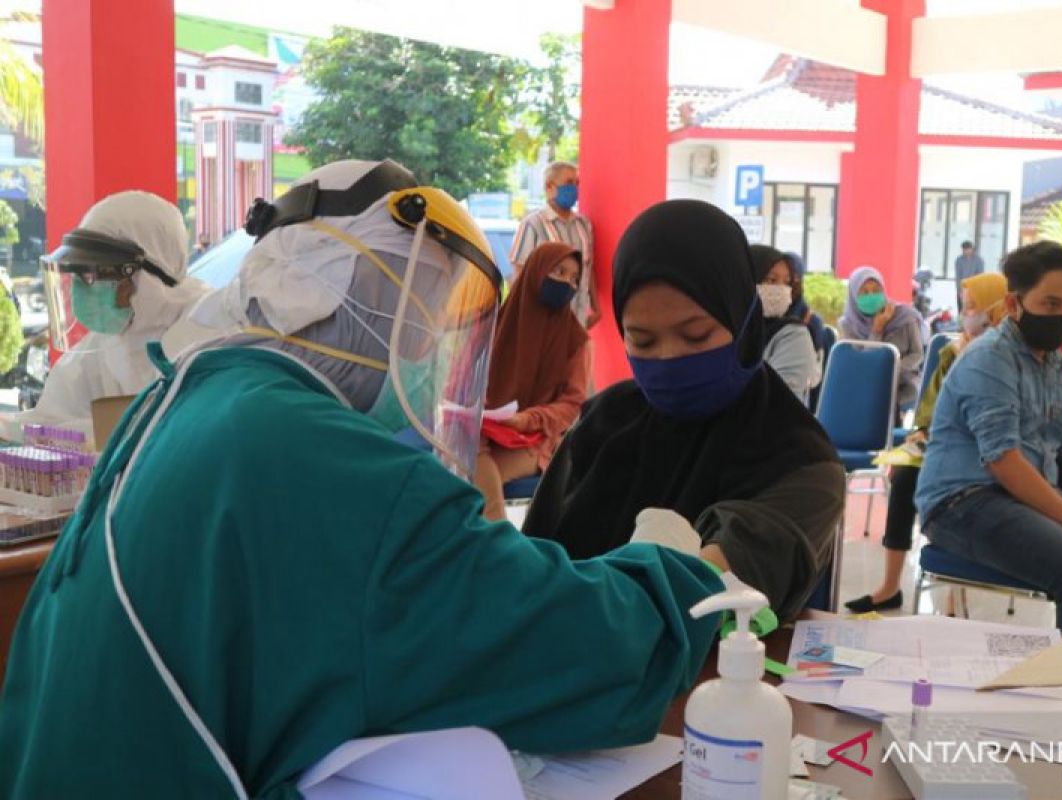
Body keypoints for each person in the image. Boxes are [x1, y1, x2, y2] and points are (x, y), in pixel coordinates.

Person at [0, 161, 724, 796]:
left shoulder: (183, 400)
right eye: (421, 321)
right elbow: (582, 652)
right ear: (340, 302)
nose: (424, 352)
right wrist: (670, 569)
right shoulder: (320, 455)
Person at [523, 200, 846, 620]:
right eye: (642, 341)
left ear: (744, 322)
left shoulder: (801, 461)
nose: (670, 357)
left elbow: (695, 591)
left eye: (696, 335)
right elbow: (534, 569)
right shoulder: (603, 424)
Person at [915, 242, 1062, 636]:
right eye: (1051, 304)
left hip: (1026, 501)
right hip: (963, 503)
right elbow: (1004, 461)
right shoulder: (989, 359)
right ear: (1014, 304)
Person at [844, 272, 1009, 613]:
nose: (967, 315)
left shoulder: (1009, 357)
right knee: (904, 476)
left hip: (985, 454)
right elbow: (931, 406)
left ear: (997, 310)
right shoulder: (953, 350)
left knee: (947, 486)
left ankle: (952, 593)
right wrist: (922, 431)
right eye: (965, 307)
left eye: (974, 307)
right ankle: (890, 586)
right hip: (943, 445)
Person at [21, 191, 210, 433]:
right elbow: (48, 423)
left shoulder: (205, 339)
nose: (82, 289)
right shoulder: (101, 347)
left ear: (145, 279)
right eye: (78, 276)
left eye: (93, 276)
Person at [474, 242, 590, 521]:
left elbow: (573, 404)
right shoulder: (497, 322)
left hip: (534, 439)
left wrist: (530, 419)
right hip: (484, 433)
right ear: (536, 272)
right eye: (559, 271)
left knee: (471, 485)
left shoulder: (575, 339)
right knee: (466, 459)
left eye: (574, 279)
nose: (567, 283)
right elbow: (468, 378)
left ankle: (496, 547)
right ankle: (499, 549)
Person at [510, 162, 601, 329]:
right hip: (544, 321)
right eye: (568, 183)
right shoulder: (533, 224)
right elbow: (519, 272)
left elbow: (588, 267)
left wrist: (596, 308)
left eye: (576, 183)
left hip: (578, 320)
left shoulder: (583, 225)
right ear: (549, 186)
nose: (574, 188)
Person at [839, 265, 926, 409]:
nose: (871, 295)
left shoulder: (905, 316)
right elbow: (862, 364)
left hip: (903, 383)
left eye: (875, 290)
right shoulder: (848, 325)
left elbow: (917, 354)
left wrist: (890, 371)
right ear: (854, 295)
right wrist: (877, 330)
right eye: (864, 292)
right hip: (865, 386)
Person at [751, 244, 821, 401]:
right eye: (771, 280)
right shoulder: (727, 330)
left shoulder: (793, 334)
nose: (781, 289)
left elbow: (777, 404)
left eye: (787, 282)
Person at [782, 250, 828, 365]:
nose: (785, 284)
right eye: (774, 280)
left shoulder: (812, 322)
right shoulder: (761, 317)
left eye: (792, 278)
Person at [954, 241, 984, 308]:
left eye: (967, 249)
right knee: (961, 311)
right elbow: (958, 276)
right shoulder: (959, 260)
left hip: (974, 290)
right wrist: (959, 291)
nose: (965, 251)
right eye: (964, 250)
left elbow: (980, 276)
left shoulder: (979, 260)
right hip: (963, 289)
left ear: (972, 249)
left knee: (973, 312)